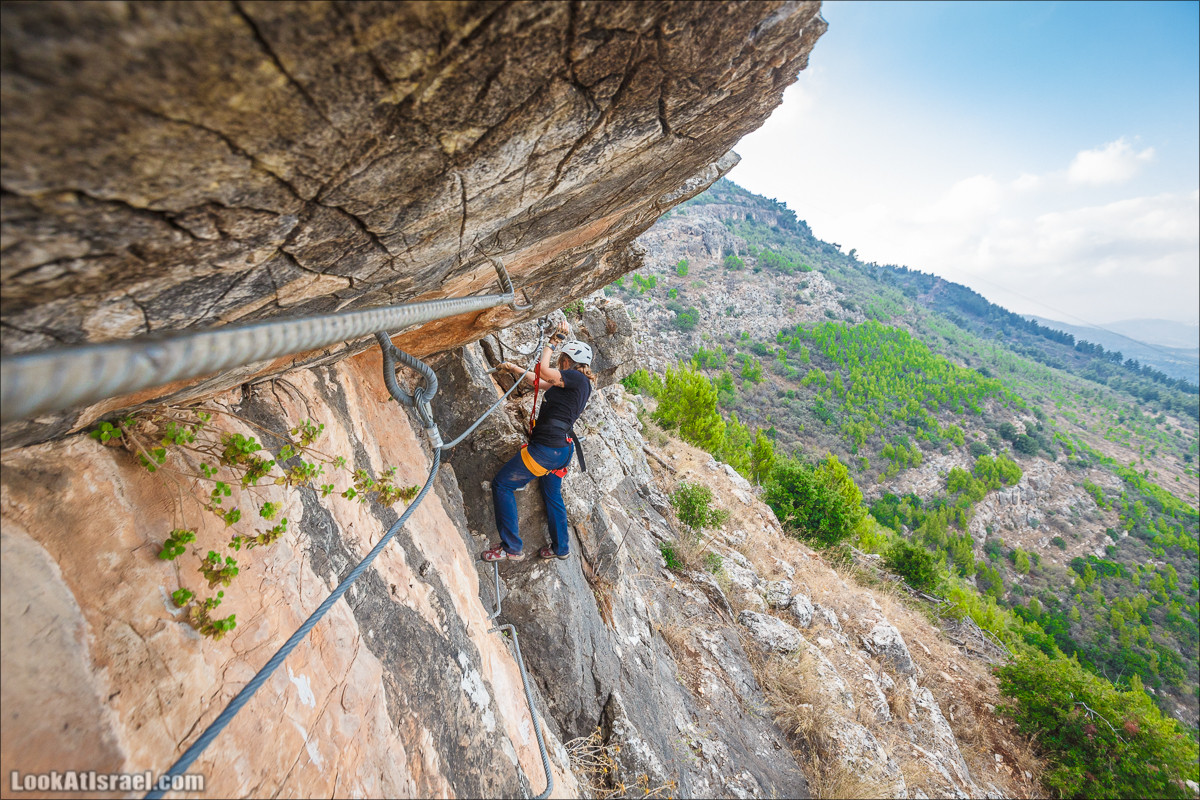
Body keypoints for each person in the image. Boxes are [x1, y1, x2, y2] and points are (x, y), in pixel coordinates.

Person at [481, 320, 594, 562]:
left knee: (502, 485)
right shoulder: (574, 383)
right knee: (552, 495)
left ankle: (511, 547)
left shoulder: (576, 378)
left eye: (562, 358)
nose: (560, 362)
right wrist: (514, 368)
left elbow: (544, 372)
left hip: (547, 450)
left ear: (569, 360)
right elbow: (538, 381)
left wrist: (552, 343)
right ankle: (561, 548)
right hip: (560, 450)